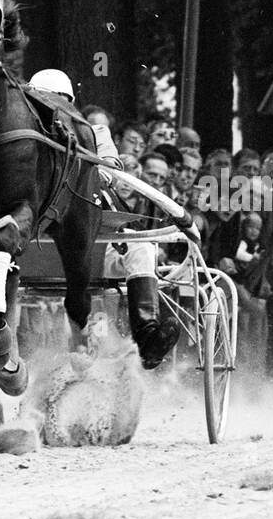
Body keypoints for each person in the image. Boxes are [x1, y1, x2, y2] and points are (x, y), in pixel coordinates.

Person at [27, 69, 180, 369]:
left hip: (96, 244)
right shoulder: (24, 143)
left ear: (70, 103)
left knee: (143, 248)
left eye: (59, 101)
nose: (53, 109)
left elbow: (109, 171)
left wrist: (82, 168)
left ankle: (147, 335)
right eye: (42, 101)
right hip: (32, 246)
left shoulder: (95, 134)